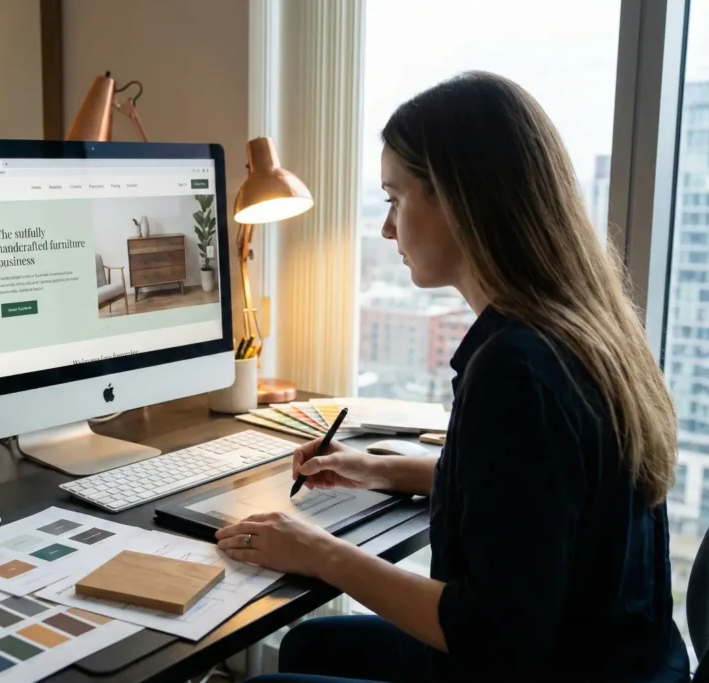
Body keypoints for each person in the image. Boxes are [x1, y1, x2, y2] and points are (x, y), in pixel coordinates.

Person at [216, 72, 690, 682]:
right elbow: (542, 507)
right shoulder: (587, 329)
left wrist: (321, 554)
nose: (387, 229)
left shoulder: (514, 372)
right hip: (620, 662)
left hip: (540, 668)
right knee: (314, 645)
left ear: (456, 199)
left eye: (394, 198)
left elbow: (489, 635)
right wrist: (381, 469)